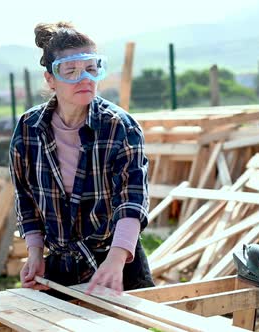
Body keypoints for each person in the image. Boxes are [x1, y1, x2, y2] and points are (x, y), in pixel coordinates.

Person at [9, 21, 154, 296]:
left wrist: (116, 259)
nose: (85, 78)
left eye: (90, 68)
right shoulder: (28, 128)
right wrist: (36, 253)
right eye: (71, 71)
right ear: (50, 79)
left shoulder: (119, 126)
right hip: (59, 267)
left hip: (117, 262)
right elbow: (24, 197)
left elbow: (132, 199)